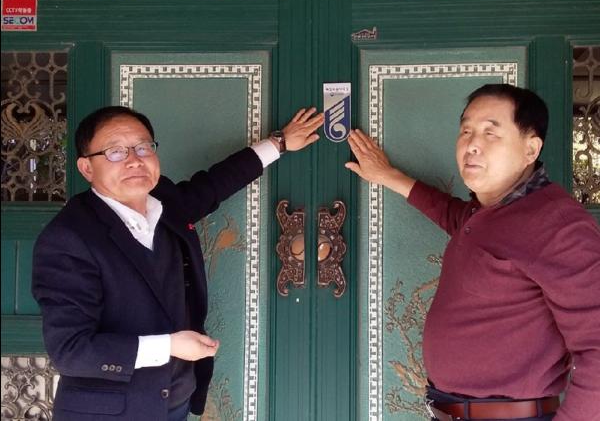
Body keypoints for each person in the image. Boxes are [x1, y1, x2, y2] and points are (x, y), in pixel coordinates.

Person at [32, 105, 323, 421]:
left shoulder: (166, 202)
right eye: (115, 152)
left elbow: (214, 185)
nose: (134, 160)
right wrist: (168, 346)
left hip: (174, 406)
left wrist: (279, 143)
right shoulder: (69, 238)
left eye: (143, 147)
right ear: (87, 168)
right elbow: (71, 352)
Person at [345, 84, 600, 421]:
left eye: (490, 133)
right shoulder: (486, 213)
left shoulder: (559, 226)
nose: (472, 144)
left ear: (531, 149)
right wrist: (387, 176)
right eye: (466, 131)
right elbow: (452, 215)